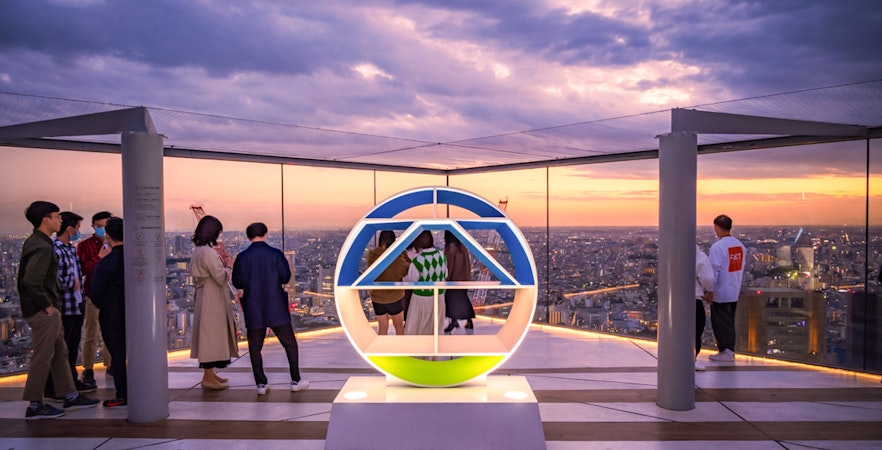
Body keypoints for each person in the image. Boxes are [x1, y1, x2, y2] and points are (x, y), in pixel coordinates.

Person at [19, 201, 99, 419]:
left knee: (60, 353)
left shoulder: (39, 242)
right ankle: (35, 405)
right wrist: (47, 306)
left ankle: (69, 394)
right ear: (45, 220)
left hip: (50, 308)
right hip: (43, 311)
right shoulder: (42, 246)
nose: (60, 220)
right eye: (56, 216)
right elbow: (32, 280)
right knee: (44, 357)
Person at [232, 222, 309, 395]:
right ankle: (296, 380)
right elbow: (285, 277)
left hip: (253, 305)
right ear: (266, 234)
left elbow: (238, 282)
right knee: (289, 343)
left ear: (248, 237)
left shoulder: (242, 257)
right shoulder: (275, 254)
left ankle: (261, 383)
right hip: (275, 305)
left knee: (254, 347)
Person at [45, 211, 96, 400]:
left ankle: (70, 381)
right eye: (77, 228)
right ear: (70, 228)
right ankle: (53, 387)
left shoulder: (71, 249)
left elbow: (79, 271)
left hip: (77, 303)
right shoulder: (55, 249)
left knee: (72, 346)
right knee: (61, 348)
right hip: (65, 306)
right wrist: (70, 282)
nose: (78, 233)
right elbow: (51, 277)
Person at [189, 215, 239, 390]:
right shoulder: (208, 253)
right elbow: (220, 277)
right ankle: (208, 377)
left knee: (209, 336)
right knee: (211, 336)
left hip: (206, 295)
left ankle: (211, 375)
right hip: (212, 297)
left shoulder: (198, 250)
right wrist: (229, 266)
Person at [89, 217, 128, 407]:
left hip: (112, 316)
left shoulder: (105, 263)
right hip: (138, 316)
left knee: (118, 356)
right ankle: (145, 389)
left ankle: (123, 394)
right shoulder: (137, 260)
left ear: (108, 236)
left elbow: (95, 294)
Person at [77, 210, 114, 386]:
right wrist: (100, 258)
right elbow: (84, 270)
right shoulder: (85, 246)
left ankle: (111, 365)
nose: (102, 230)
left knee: (112, 332)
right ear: (93, 226)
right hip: (93, 294)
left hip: (113, 295)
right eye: (98, 226)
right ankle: (88, 369)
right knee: (91, 333)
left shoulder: (118, 244)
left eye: (105, 227)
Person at [708, 214, 746, 362]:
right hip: (734, 289)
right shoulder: (739, 246)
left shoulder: (718, 247)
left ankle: (726, 351)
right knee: (729, 321)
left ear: (717, 227)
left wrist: (709, 290)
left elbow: (714, 271)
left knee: (721, 322)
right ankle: (729, 349)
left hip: (721, 291)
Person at [365, 230, 410, 336]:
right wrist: (402, 252)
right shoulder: (397, 259)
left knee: (382, 328)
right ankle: (401, 352)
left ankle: (382, 351)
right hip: (394, 297)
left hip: (377, 298)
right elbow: (407, 269)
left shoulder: (372, 255)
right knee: (399, 328)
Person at [404, 230, 447, 336]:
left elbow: (412, 280)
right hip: (439, 296)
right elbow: (445, 275)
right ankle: (435, 349)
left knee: (418, 327)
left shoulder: (418, 260)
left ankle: (420, 349)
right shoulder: (442, 256)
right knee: (436, 327)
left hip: (421, 298)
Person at [443, 230, 475, 334]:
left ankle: (454, 321)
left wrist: (446, 280)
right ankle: (465, 321)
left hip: (454, 281)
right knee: (462, 300)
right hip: (464, 279)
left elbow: (448, 267)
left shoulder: (450, 250)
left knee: (451, 302)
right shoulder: (462, 248)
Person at [694, 245, 714, 371]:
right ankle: (692, 358)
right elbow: (708, 278)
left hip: (671, 300)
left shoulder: (670, 252)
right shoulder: (699, 256)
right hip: (694, 299)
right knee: (695, 330)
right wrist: (709, 290)